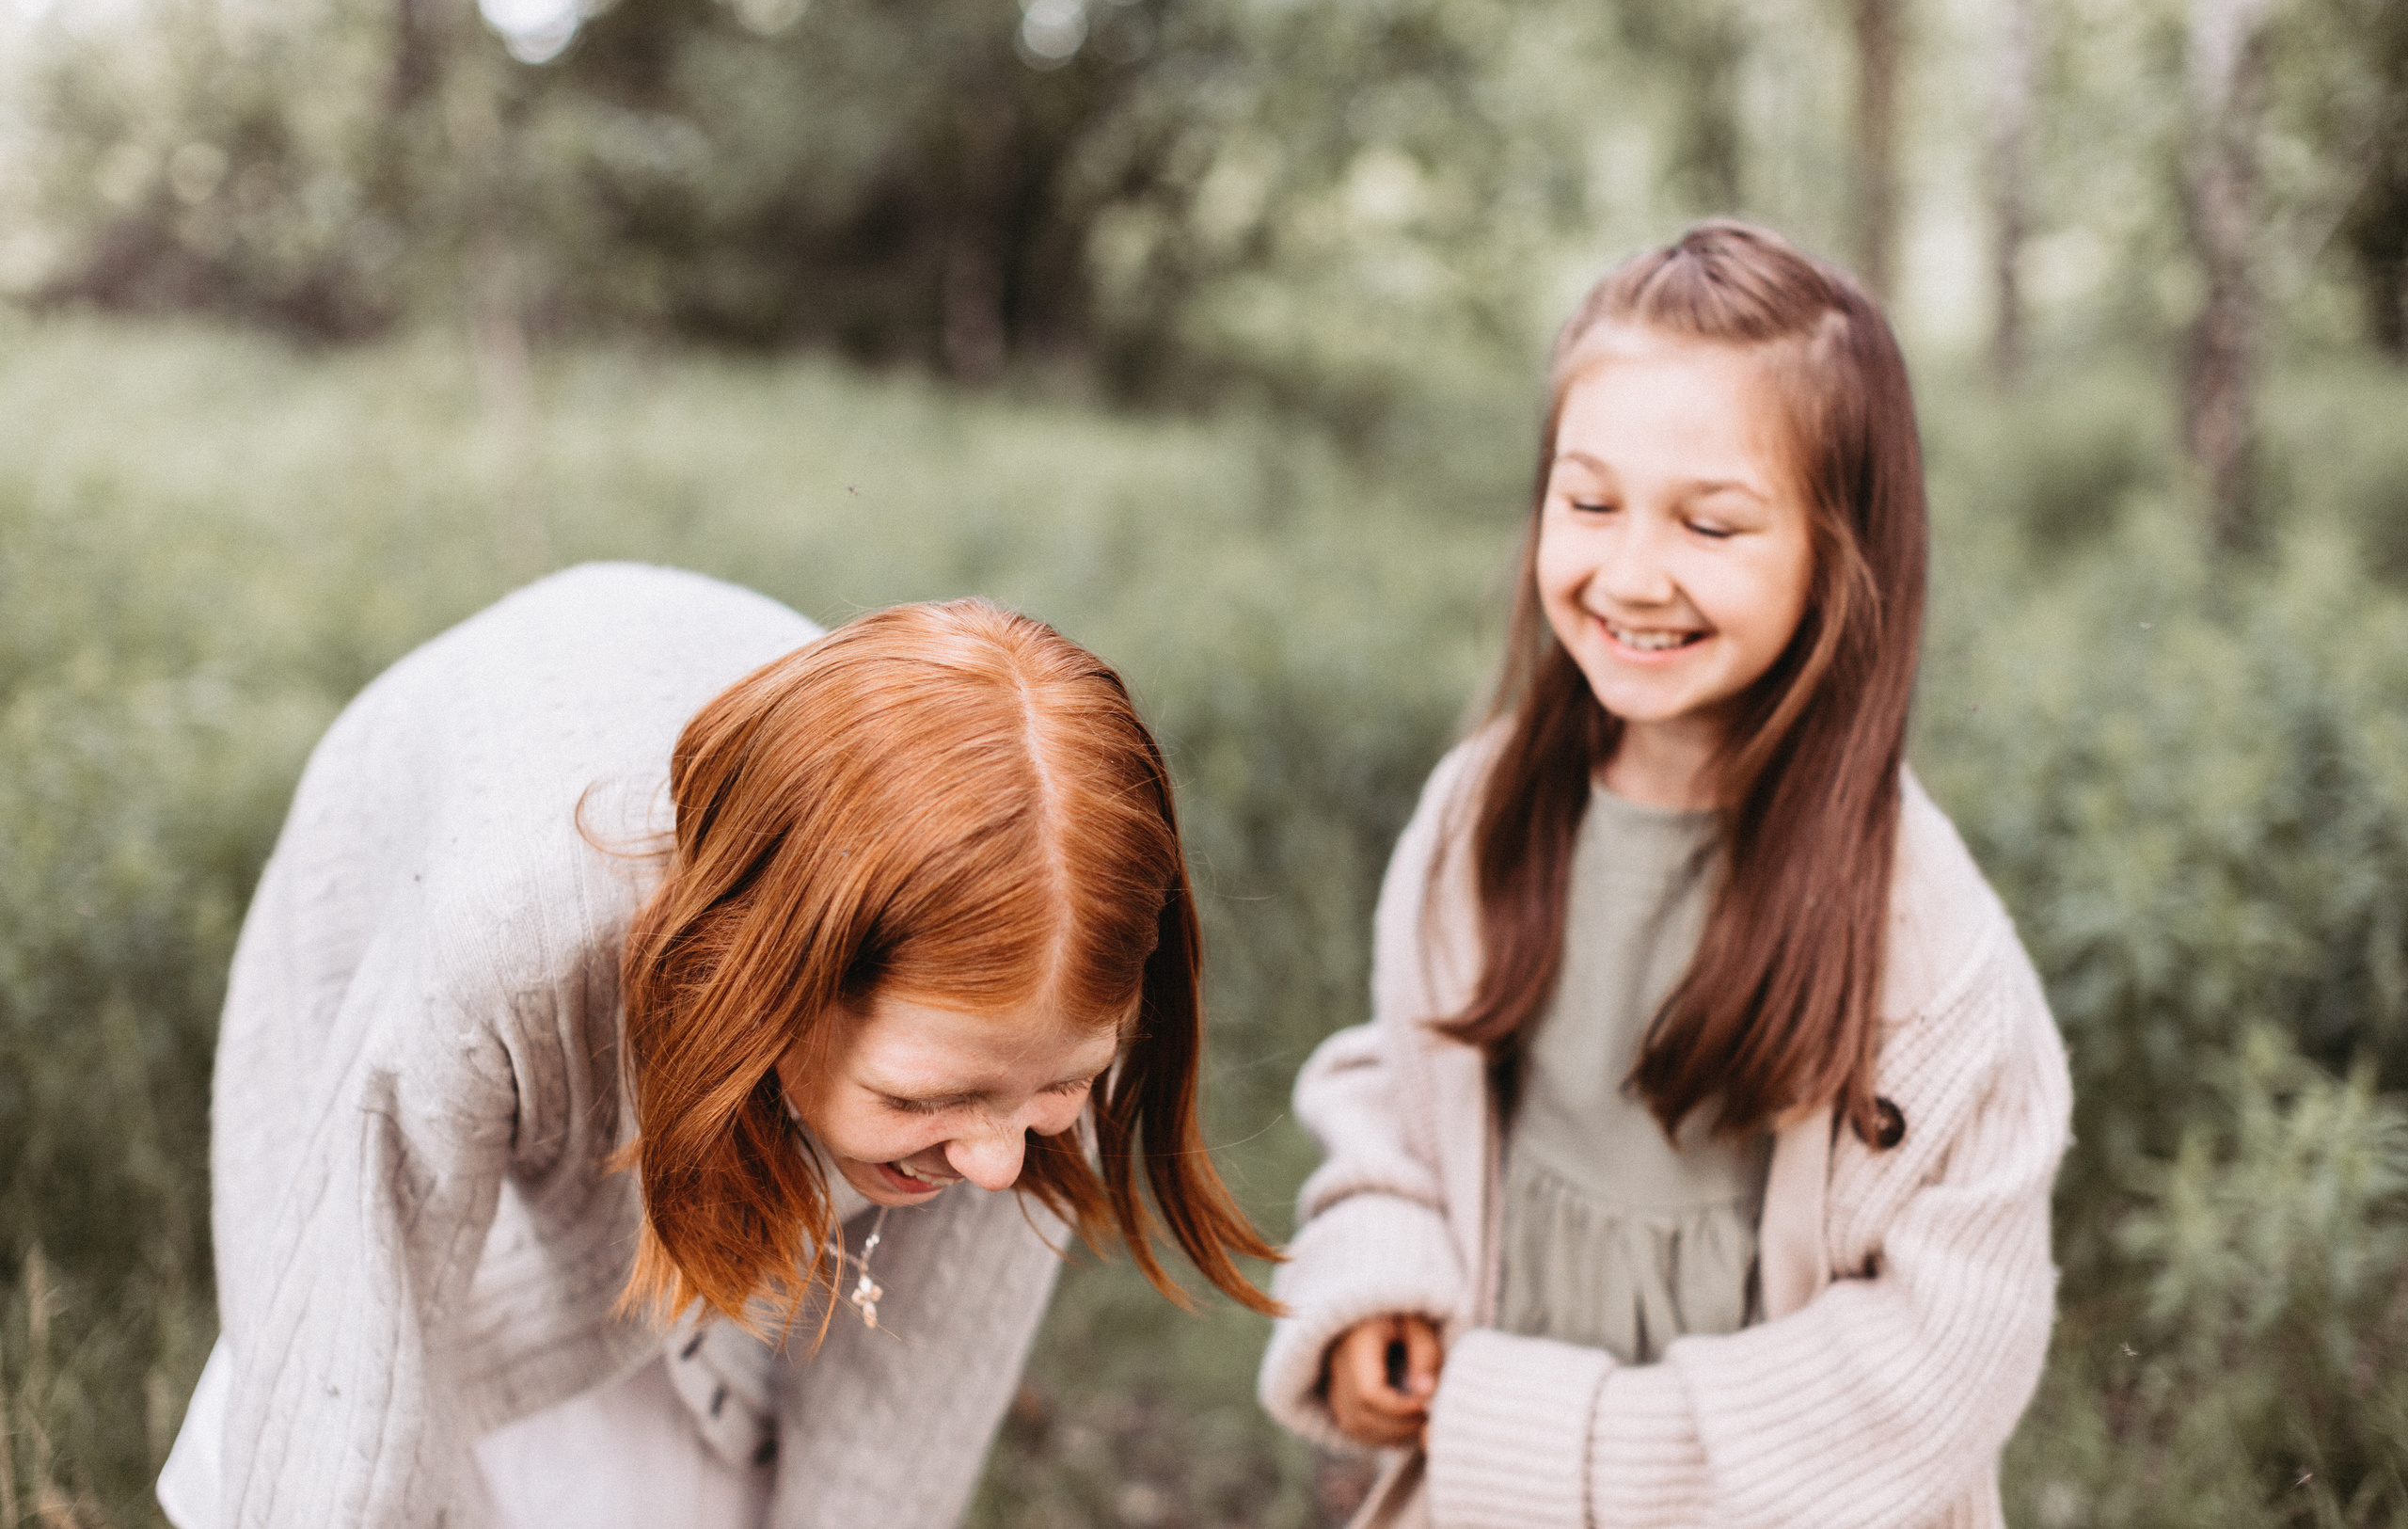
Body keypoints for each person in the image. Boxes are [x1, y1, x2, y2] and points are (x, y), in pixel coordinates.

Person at [158, 562, 1278, 1529]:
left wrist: (999, 1096)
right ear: (773, 990)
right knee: (332, 1410)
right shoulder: (497, 948)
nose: (996, 1161)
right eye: (927, 1099)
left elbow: (902, 1425)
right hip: (432, 904)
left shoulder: (1053, 982)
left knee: (686, 1449)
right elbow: (347, 1376)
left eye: (1061, 1089)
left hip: (709, 1062)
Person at [1257, 222, 2071, 1528]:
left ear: (1839, 553)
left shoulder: (1925, 937)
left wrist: (1542, 1434)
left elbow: (1939, 1358)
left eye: (1711, 521)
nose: (1630, 573)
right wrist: (1382, 1271)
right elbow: (1408, 1084)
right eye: (1588, 502)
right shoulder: (1485, 809)